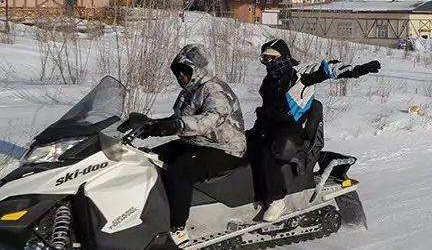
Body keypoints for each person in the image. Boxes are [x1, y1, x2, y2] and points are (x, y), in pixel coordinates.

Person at [249, 39, 381, 222]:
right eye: (264, 59)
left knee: (268, 152)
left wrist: (358, 69)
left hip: (293, 130)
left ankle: (276, 200)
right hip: (270, 126)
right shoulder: (269, 80)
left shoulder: (300, 75)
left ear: (283, 57)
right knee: (245, 146)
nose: (267, 63)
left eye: (271, 58)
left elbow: (330, 69)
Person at [139, 44, 247, 247]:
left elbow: (209, 120)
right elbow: (181, 119)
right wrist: (152, 126)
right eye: (178, 73)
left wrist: (176, 126)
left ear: (197, 70)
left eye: (185, 72)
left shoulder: (215, 90)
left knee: (180, 170)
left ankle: (178, 228)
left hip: (224, 148)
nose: (180, 77)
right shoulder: (189, 92)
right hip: (197, 143)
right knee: (148, 158)